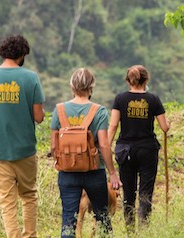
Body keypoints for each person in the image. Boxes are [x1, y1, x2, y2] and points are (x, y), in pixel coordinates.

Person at [0, 34, 45, 238]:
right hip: (26, 151)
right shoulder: (31, 78)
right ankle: (30, 235)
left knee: (7, 202)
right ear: (22, 55)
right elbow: (39, 117)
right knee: (29, 196)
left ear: (2, 53)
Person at [50, 68, 122, 238]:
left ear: (72, 87)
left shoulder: (59, 110)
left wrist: (63, 162)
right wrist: (112, 173)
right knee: (102, 217)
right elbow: (104, 145)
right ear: (91, 88)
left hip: (67, 173)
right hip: (94, 171)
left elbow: (54, 145)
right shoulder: (99, 111)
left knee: (68, 219)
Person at [107, 65, 169, 231]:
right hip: (147, 150)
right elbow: (164, 127)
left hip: (125, 151)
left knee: (128, 192)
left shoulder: (120, 99)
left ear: (128, 80)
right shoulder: (153, 99)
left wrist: (105, 146)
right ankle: (144, 229)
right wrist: (168, 123)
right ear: (146, 80)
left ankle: (130, 231)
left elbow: (113, 125)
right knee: (145, 192)